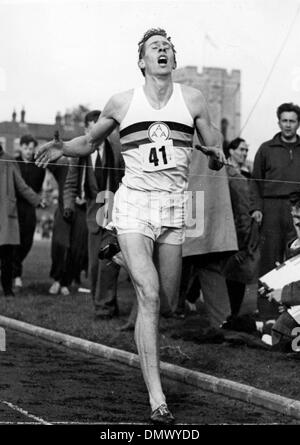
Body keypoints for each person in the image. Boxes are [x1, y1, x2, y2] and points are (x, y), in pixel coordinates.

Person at [36, 28, 227, 424]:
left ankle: (120, 257)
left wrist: (215, 151)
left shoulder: (192, 99)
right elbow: (89, 141)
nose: (162, 51)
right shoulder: (123, 102)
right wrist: (61, 148)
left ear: (174, 60)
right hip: (135, 203)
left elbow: (213, 139)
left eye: (167, 47)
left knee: (168, 302)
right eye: (154, 48)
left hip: (176, 207)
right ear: (142, 61)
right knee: (151, 294)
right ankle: (157, 398)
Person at [64, 110, 124, 317]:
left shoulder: (116, 150)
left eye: (99, 126)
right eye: (91, 127)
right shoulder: (79, 154)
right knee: (94, 267)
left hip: (113, 213)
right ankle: (104, 303)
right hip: (90, 214)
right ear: (86, 130)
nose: (96, 131)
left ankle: (104, 307)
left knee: (108, 262)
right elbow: (71, 185)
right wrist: (68, 206)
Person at [251, 103, 300, 318]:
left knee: (296, 262)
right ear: (278, 122)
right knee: (269, 262)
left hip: (296, 210)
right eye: (285, 120)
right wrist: (256, 209)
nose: (288, 125)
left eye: (293, 121)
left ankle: (292, 316)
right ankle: (266, 315)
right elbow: (255, 182)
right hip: (271, 209)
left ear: (298, 124)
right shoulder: (266, 149)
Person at [223, 138, 260, 319]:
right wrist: (244, 239)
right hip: (236, 233)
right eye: (241, 150)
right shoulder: (234, 176)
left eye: (246, 150)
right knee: (237, 273)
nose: (244, 154)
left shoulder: (239, 174)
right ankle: (232, 314)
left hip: (230, 231)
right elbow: (242, 211)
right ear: (230, 151)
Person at [0, 144, 42, 296]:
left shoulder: (10, 160)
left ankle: (7, 289)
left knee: (6, 256)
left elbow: (21, 186)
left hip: (6, 214)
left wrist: (37, 200)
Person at [263, 192, 300, 351]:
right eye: (295, 218)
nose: (296, 223)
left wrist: (284, 293)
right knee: (281, 327)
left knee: (282, 331)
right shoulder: (294, 243)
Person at [47, 158, 88, 295]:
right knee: (60, 244)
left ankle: (66, 281)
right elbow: (47, 163)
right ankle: (57, 279)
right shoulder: (63, 165)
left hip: (82, 211)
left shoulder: (88, 164)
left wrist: (86, 199)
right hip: (63, 209)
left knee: (77, 249)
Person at [12, 134, 46, 289]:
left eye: (31, 148)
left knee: (27, 242)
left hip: (30, 208)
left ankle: (13, 268)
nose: (28, 151)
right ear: (20, 147)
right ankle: (16, 274)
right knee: (14, 242)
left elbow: (38, 189)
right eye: (25, 148)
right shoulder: (13, 163)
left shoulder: (38, 167)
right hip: (14, 207)